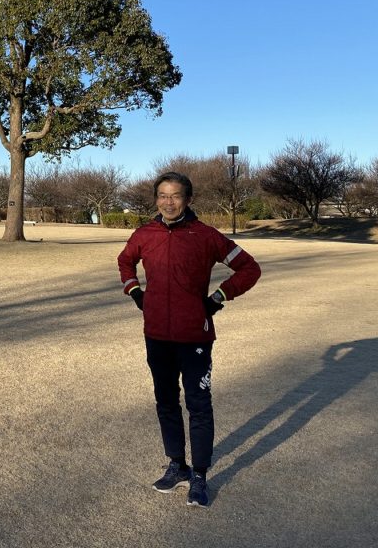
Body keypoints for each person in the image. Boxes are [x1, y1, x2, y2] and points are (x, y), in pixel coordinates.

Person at [117, 171, 261, 508]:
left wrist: (218, 298)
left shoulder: (206, 236)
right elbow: (125, 261)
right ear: (156, 199)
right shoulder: (145, 233)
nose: (169, 202)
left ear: (188, 199)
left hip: (194, 335)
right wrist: (135, 292)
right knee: (165, 401)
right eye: (163, 196)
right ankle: (176, 466)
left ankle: (199, 475)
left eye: (176, 196)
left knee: (198, 405)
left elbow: (249, 268)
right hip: (156, 335)